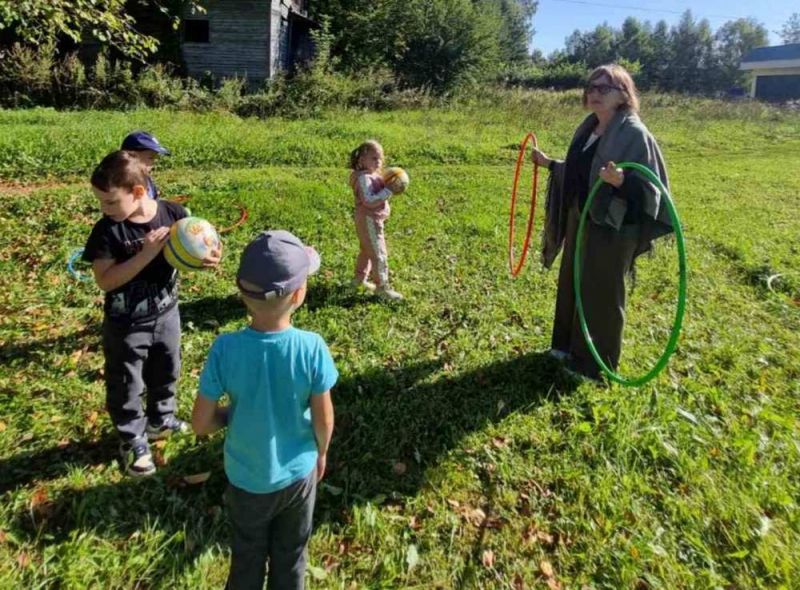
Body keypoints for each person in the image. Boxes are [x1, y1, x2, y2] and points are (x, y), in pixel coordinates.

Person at [192, 230, 338, 590]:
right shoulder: (312, 348)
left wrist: (233, 415)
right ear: (300, 294)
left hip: (245, 481)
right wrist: (321, 452)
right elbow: (324, 418)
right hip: (298, 476)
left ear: (242, 294)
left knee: (247, 555)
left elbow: (201, 423)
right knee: (291, 557)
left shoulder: (224, 349)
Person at [82, 150, 221, 476]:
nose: (105, 209)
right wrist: (146, 253)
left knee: (167, 368)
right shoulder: (107, 231)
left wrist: (208, 257)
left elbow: (200, 242)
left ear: (139, 192)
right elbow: (105, 280)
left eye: (111, 202)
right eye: (101, 202)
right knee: (127, 382)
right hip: (126, 325)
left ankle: (161, 419)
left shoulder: (173, 213)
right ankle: (132, 438)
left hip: (166, 313)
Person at [533, 64, 673, 381]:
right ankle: (566, 347)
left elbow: (654, 190)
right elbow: (581, 169)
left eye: (604, 88)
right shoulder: (589, 126)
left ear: (623, 95)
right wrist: (550, 164)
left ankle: (596, 365)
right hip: (581, 217)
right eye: (591, 87)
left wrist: (622, 180)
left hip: (613, 225)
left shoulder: (634, 134)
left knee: (602, 292)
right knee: (572, 280)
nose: (594, 93)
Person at [349, 140, 404, 300]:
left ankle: (358, 280)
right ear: (361, 160)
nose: (378, 162)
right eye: (374, 158)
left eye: (380, 158)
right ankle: (382, 287)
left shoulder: (371, 176)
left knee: (367, 250)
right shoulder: (364, 178)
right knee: (379, 253)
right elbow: (368, 200)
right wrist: (387, 191)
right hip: (369, 220)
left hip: (370, 220)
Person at [121, 130, 171, 199]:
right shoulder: (121, 185)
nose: (154, 161)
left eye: (156, 157)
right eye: (151, 157)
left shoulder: (146, 179)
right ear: (131, 157)